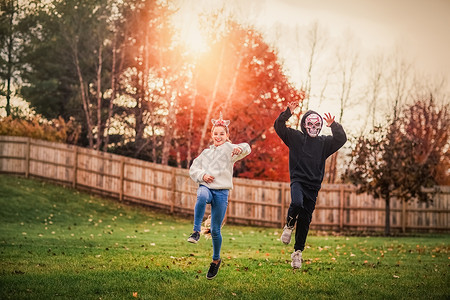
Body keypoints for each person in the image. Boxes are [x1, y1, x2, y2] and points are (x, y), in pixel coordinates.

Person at [274, 102, 347, 269]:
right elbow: (279, 126)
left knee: (306, 220)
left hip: (313, 187)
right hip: (298, 181)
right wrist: (287, 113)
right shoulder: (296, 138)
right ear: (304, 125)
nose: (313, 127)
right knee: (296, 203)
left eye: (317, 125)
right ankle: (289, 225)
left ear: (320, 127)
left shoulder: (324, 143)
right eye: (310, 124)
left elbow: (341, 139)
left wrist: (333, 125)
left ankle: (297, 253)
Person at [188, 112, 251, 279]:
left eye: (222, 134)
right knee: (201, 195)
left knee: (215, 230)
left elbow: (247, 147)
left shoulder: (230, 149)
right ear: (212, 135)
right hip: (207, 186)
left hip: (222, 192)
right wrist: (203, 176)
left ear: (227, 135)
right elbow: (193, 169)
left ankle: (215, 260)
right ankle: (195, 231)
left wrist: (240, 148)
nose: (218, 136)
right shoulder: (206, 153)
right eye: (215, 134)